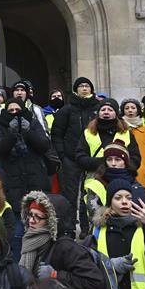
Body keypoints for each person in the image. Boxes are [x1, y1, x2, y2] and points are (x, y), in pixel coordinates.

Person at [0, 97, 52, 258]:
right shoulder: (0, 126)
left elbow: (44, 145)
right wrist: (12, 134)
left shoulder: (32, 123)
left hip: (35, 183)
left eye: (17, 110)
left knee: (39, 233)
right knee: (17, 235)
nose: (14, 113)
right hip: (12, 187)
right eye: (10, 111)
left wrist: (28, 132)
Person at [18, 191, 104, 289]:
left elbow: (94, 282)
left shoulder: (66, 247)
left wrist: (55, 275)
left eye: (38, 217)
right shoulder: (31, 241)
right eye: (30, 214)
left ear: (52, 221)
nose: (31, 221)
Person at [50, 77, 100, 231]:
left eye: (87, 86)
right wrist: (62, 155)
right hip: (70, 159)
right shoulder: (67, 110)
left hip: (92, 159)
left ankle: (87, 229)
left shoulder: (98, 108)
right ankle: (69, 229)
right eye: (81, 86)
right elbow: (57, 133)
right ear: (75, 90)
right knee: (70, 196)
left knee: (91, 194)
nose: (84, 88)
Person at [82, 142, 145, 217]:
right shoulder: (96, 184)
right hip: (104, 226)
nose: (113, 163)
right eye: (109, 159)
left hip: (132, 227)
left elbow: (142, 212)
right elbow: (93, 213)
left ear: (125, 162)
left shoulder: (136, 185)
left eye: (118, 159)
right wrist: (108, 213)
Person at [120, 98, 145, 190]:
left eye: (133, 108)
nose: (130, 110)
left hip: (143, 171)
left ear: (138, 110)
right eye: (127, 108)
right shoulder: (119, 129)